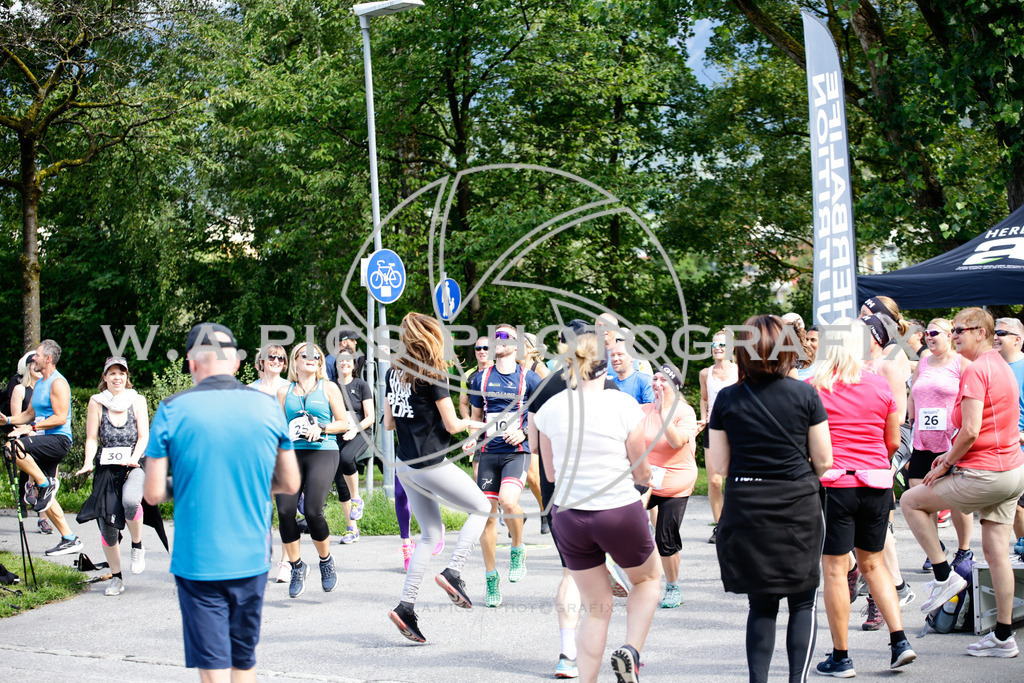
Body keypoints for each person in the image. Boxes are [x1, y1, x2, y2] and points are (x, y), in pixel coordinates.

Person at [144, 323, 299, 682]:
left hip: (198, 561)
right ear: (234, 363)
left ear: (192, 363)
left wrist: (186, 483)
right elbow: (290, 482)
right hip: (251, 558)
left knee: (212, 666)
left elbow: (151, 493)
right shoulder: (266, 407)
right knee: (244, 659)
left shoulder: (171, 409)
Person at [708, 315, 832, 683]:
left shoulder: (727, 398)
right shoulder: (806, 395)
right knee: (803, 600)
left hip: (747, 503)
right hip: (797, 503)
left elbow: (718, 466)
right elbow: (824, 460)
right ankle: (798, 679)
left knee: (760, 603)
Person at [534, 329, 661, 683]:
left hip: (568, 515)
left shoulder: (550, 409)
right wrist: (651, 478)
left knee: (596, 607)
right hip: (617, 509)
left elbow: (550, 472)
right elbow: (642, 470)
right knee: (649, 579)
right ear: (605, 367)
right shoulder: (622, 405)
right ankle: (631, 651)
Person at [900, 308, 1024, 658]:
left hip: (987, 473)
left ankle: (944, 576)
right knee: (997, 553)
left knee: (911, 501)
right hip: (1011, 472)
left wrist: (946, 464)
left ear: (981, 333)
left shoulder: (976, 370)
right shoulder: (1000, 365)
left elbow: (969, 430)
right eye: (951, 330)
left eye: (959, 330)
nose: (953, 335)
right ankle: (1003, 636)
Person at [810, 320, 916, 676]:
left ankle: (841, 657)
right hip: (876, 484)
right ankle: (900, 640)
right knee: (874, 565)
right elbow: (891, 441)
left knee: (836, 571)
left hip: (835, 486)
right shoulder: (879, 385)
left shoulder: (815, 388)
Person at [384, 312, 491, 644]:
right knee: (482, 508)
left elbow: (388, 423)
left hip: (406, 465)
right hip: (431, 464)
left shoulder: (393, 373)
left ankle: (405, 607)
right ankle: (454, 570)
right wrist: (478, 424)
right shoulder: (433, 373)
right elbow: (451, 425)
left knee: (430, 536)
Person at [469, 323, 542, 607]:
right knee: (487, 515)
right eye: (494, 336)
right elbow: (476, 418)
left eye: (503, 336)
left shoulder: (529, 379)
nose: (496, 341)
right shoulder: (480, 379)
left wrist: (523, 432)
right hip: (488, 452)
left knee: (509, 503)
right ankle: (490, 578)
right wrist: (472, 438)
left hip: (517, 451)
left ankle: (517, 547)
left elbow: (539, 419)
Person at [276, 342, 348, 598]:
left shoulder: (328, 388)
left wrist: (323, 428)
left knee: (313, 510)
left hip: (323, 451)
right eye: (304, 355)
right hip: (291, 455)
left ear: (319, 363)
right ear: (295, 361)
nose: (310, 359)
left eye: (315, 356)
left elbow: (343, 422)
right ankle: (297, 566)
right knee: (284, 511)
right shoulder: (284, 392)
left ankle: (326, 561)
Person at [75, 357, 150, 596]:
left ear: (127, 377)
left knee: (130, 501)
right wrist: (88, 462)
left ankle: (137, 544)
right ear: (105, 377)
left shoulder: (137, 400)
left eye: (122, 373)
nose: (117, 377)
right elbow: (91, 438)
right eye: (112, 373)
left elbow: (143, 437)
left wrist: (135, 458)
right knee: (106, 527)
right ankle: (117, 578)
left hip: (133, 465)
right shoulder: (96, 402)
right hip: (106, 468)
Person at [1, 339, 82, 556]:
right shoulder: (40, 384)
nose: (33, 358)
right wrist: (7, 420)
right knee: (42, 498)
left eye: (36, 355)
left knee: (12, 448)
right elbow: (28, 413)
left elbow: (59, 417)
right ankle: (69, 538)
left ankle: (45, 483)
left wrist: (29, 427)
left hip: (59, 440)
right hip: (45, 439)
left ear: (48, 358)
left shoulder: (58, 383)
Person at [906, 319, 973, 575]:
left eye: (934, 333)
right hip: (923, 439)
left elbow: (973, 396)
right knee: (918, 495)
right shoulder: (923, 362)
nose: (928, 337)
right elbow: (913, 391)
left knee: (956, 497)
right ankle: (934, 549)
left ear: (948, 335)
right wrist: (911, 417)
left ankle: (964, 549)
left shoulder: (961, 363)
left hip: (952, 440)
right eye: (926, 334)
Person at [641, 364, 698, 610]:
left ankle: (673, 587)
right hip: (648, 479)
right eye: (654, 378)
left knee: (665, 538)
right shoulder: (641, 410)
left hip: (676, 482)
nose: (656, 383)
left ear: (673, 385)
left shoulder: (684, 412)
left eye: (662, 379)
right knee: (620, 516)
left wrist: (664, 411)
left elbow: (675, 442)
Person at [249, 346, 292, 584]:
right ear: (262, 362)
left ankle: (286, 562)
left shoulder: (291, 389)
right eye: (271, 357)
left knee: (285, 511)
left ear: (285, 364)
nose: (275, 360)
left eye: (280, 358)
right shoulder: (249, 390)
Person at [4, 352, 52, 534]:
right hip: (24, 434)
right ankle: (33, 490)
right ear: (28, 368)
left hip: (44, 433)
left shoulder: (47, 389)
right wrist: (30, 429)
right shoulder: (20, 389)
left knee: (48, 477)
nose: (36, 367)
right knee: (40, 468)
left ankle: (42, 514)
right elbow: (17, 419)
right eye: (33, 364)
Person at [699, 329, 737, 543]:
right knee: (714, 482)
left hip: (736, 429)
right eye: (714, 345)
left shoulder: (739, 371)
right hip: (713, 429)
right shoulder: (705, 373)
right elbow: (704, 399)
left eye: (722, 345)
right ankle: (719, 526)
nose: (718, 348)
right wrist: (704, 418)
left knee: (733, 478)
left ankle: (736, 523)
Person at [993, 317, 1024, 557]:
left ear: (1018, 339)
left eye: (1002, 333)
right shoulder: (991, 367)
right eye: (994, 332)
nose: (995, 336)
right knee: (1011, 509)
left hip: (1020, 448)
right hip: (998, 452)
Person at [334, 355, 373, 545]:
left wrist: (354, 430)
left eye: (348, 360)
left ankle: (357, 499)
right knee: (339, 480)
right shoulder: (331, 386)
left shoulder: (361, 385)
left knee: (347, 457)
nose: (344, 363)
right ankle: (352, 529)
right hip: (337, 432)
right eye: (340, 360)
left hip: (361, 431)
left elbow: (370, 417)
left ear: (354, 364)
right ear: (336, 364)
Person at [608, 339, 654, 404]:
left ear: (632, 357)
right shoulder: (609, 385)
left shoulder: (645, 381)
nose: (615, 359)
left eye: (620, 354)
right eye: (612, 355)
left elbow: (651, 409)